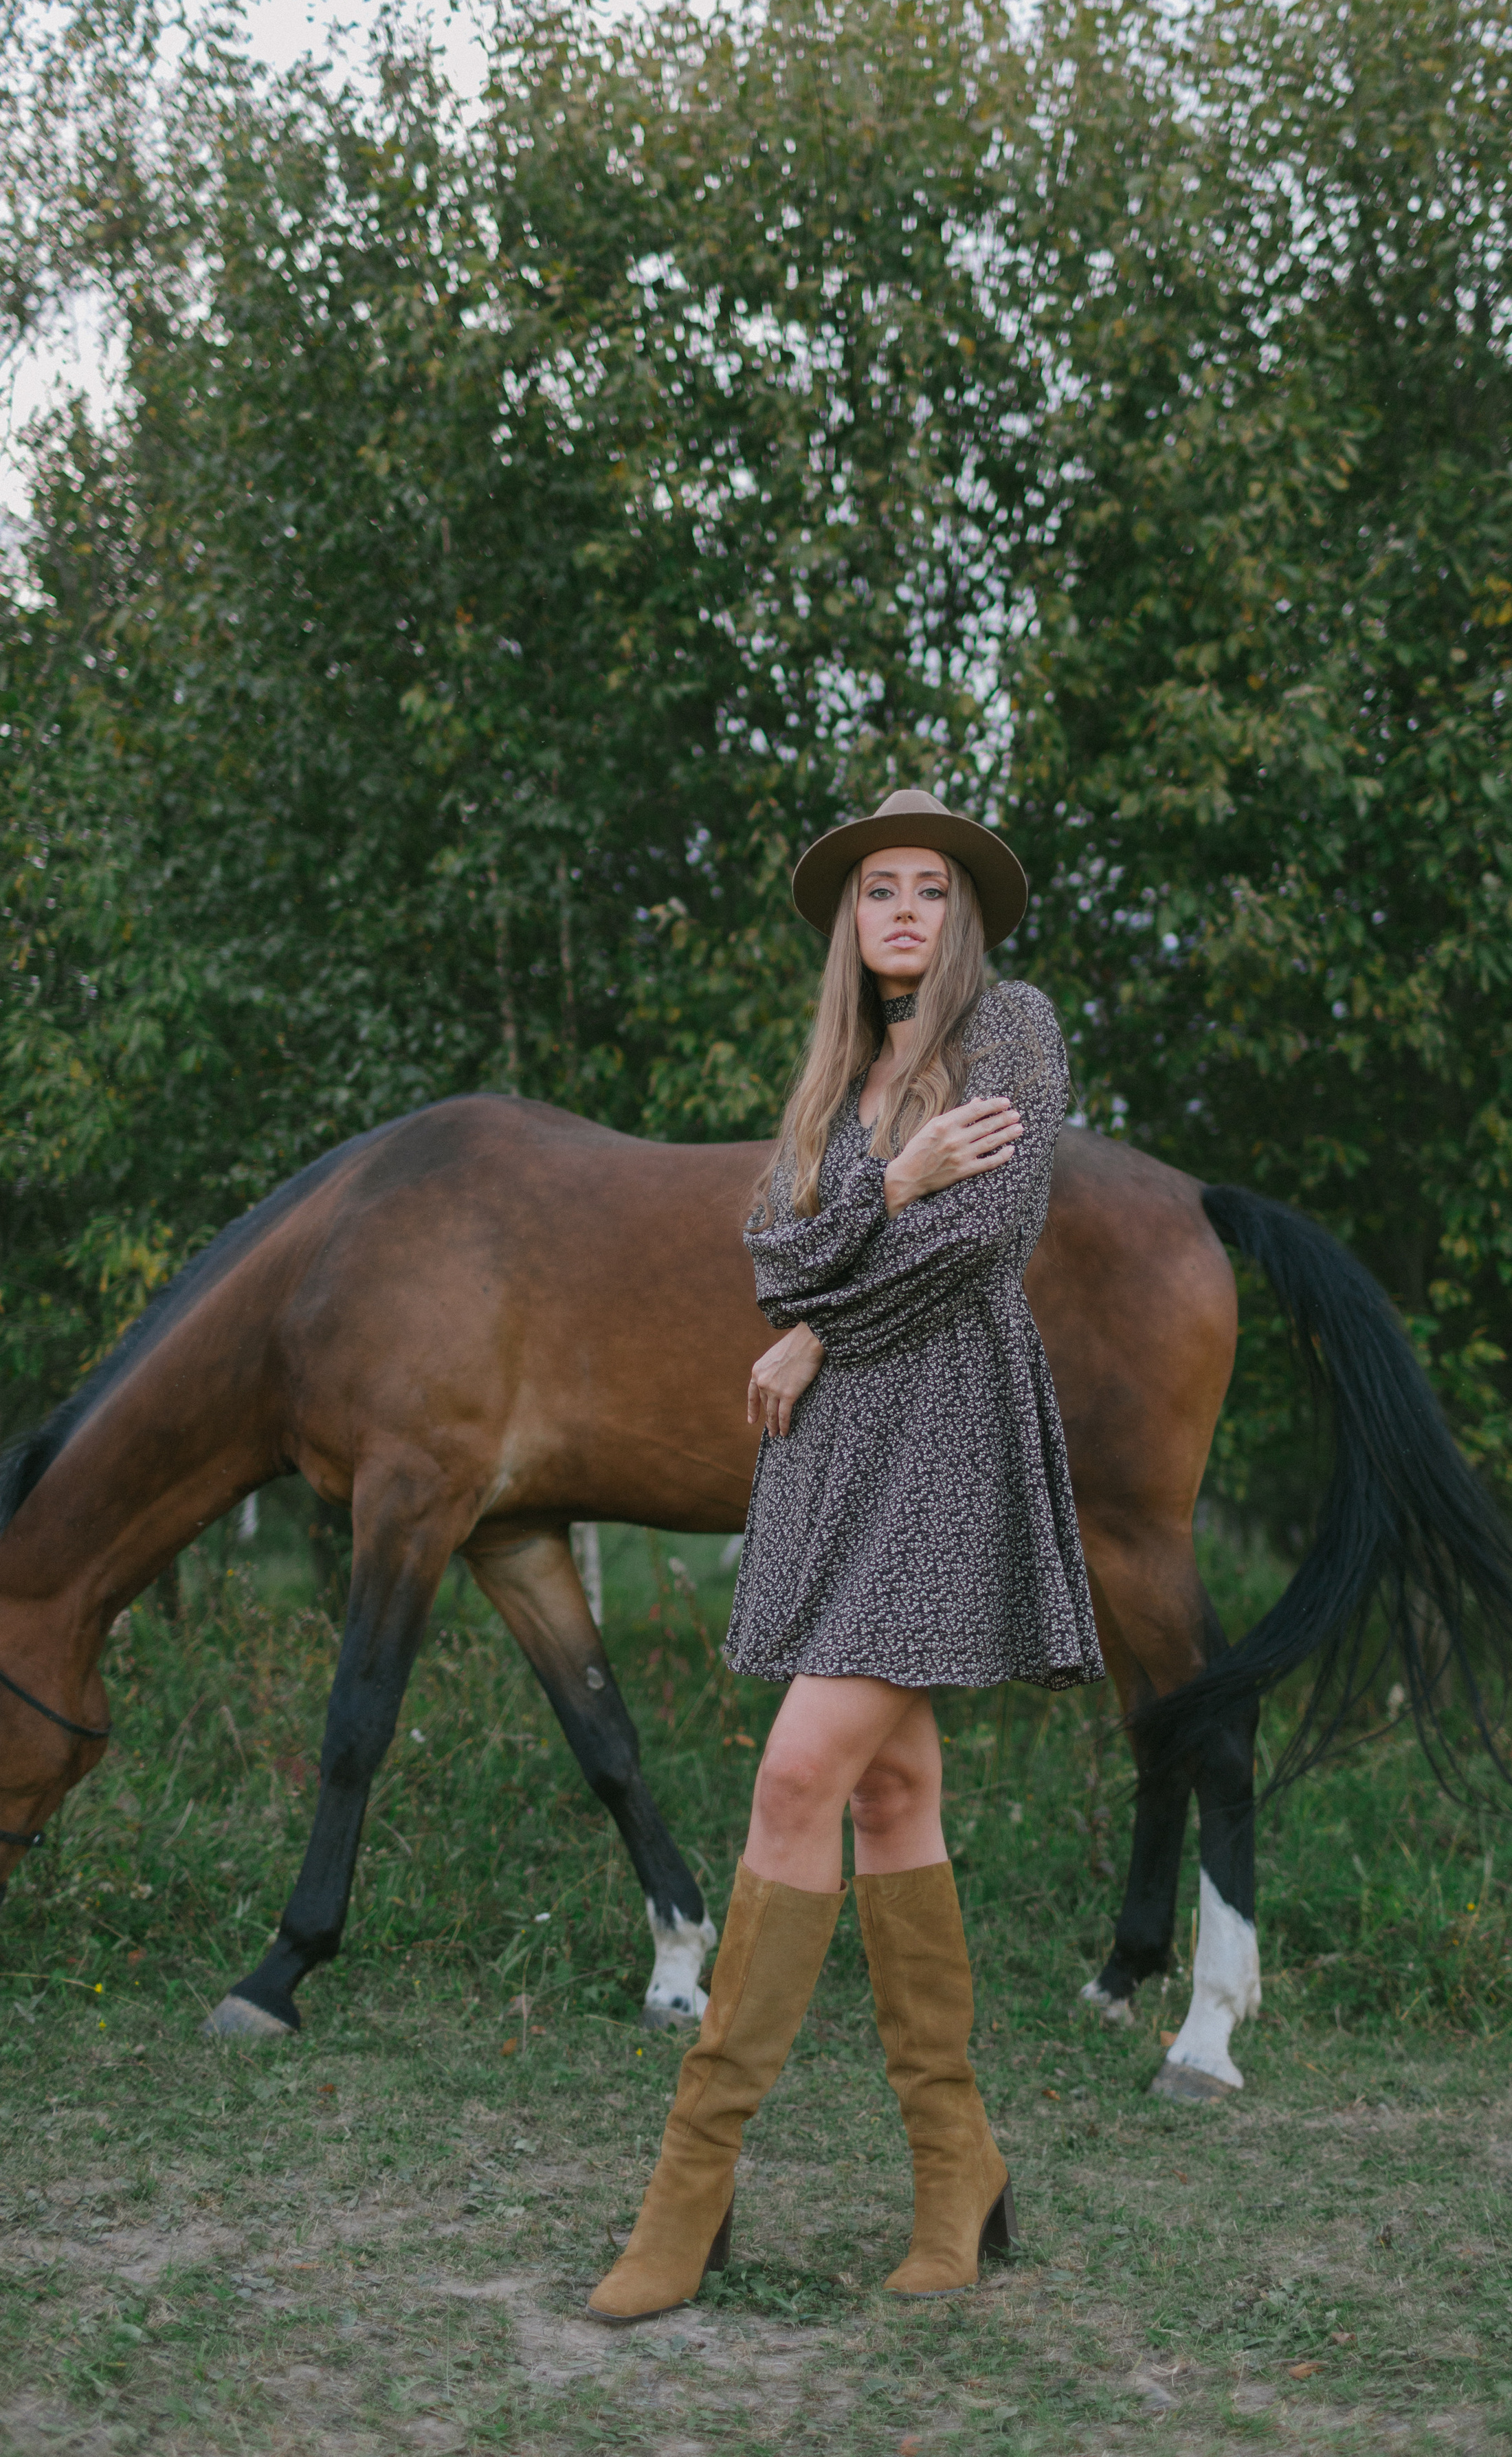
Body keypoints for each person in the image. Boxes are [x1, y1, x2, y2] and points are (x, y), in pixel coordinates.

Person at [587, 786, 1103, 2326]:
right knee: (885, 1787)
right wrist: (885, 1193)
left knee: (795, 1777)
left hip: (941, 1438)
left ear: (965, 917)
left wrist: (821, 1328)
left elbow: (984, 1241)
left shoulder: (1010, 1028)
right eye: (875, 888)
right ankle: (960, 2171)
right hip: (834, 1459)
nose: (899, 912)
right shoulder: (840, 1073)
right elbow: (772, 1255)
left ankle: (692, 2186)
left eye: (928, 889)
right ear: (846, 920)